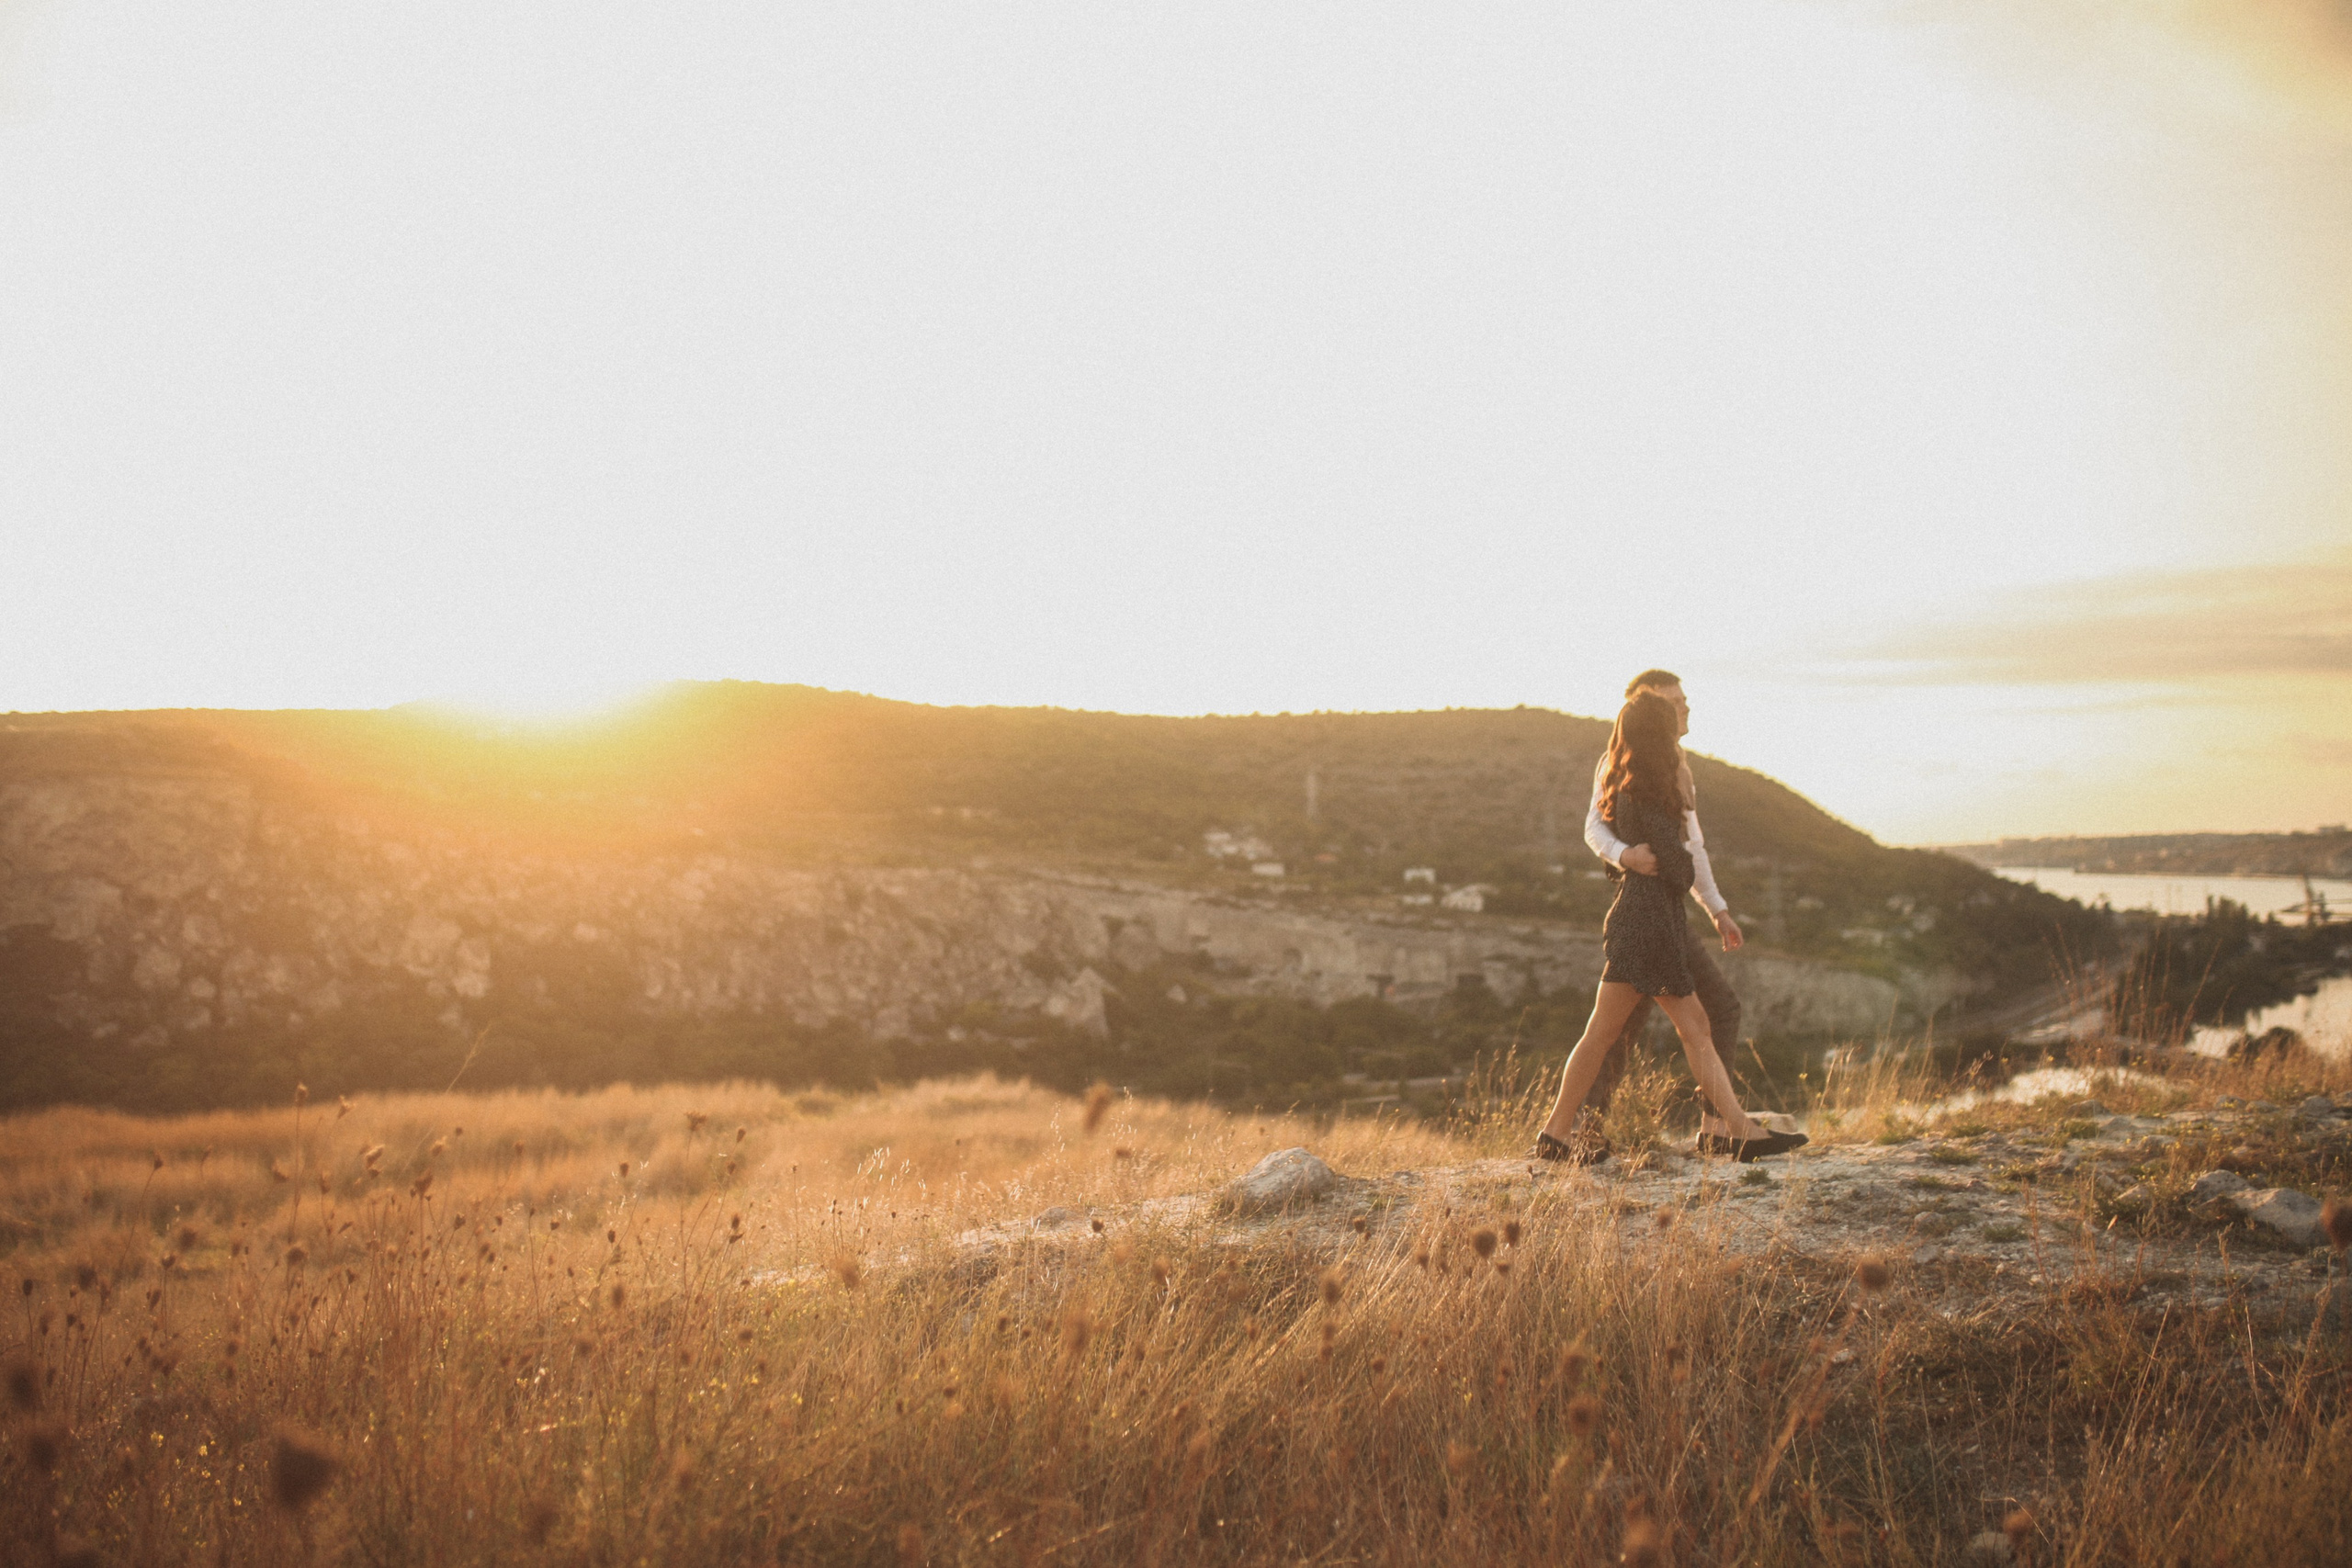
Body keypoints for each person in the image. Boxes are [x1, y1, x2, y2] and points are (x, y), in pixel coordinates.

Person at [1532, 685, 1806, 1164]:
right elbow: (1675, 865)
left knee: (1605, 1033)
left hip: (1635, 918)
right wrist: (1667, 861)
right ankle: (1736, 1130)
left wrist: (1692, 885)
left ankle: (1557, 1134)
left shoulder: (1623, 784)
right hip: (1653, 922)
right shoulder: (1652, 792)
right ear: (1659, 735)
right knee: (1695, 1028)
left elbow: (1667, 856)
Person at [1582, 669, 1743, 1132]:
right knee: (1619, 1028)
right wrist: (1624, 854)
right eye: (1672, 703)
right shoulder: (1622, 764)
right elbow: (1594, 828)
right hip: (1645, 910)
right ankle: (1580, 1130)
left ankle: (1717, 1128)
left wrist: (1718, 909)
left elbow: (1693, 846)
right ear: (1645, 710)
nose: (1685, 707)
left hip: (1666, 910)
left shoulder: (1676, 765)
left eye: (1683, 699)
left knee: (1707, 1011)